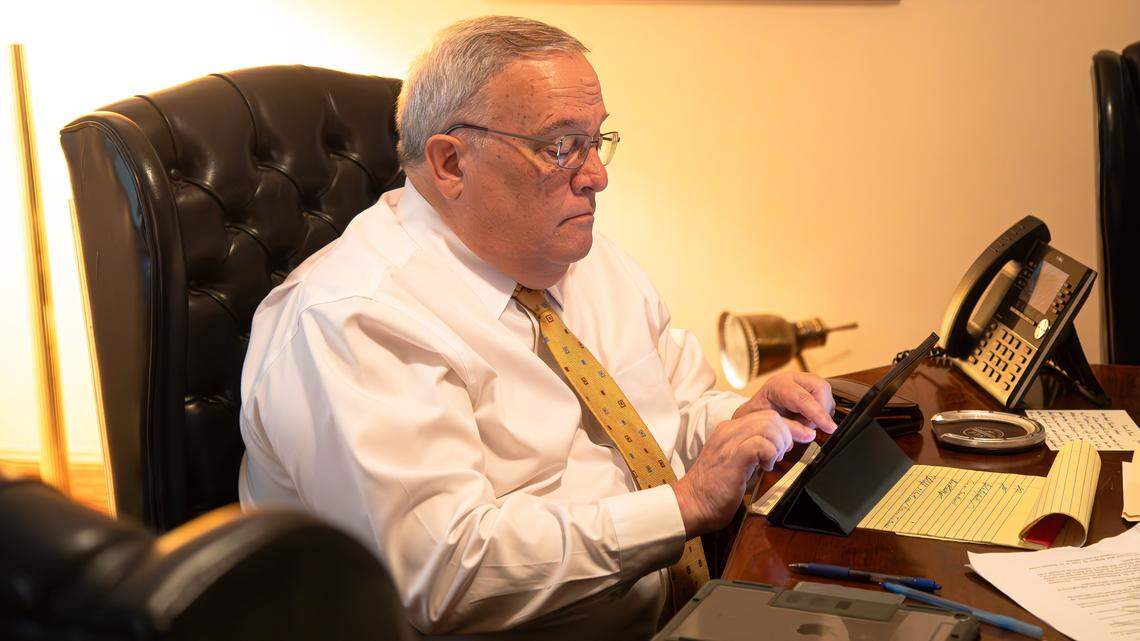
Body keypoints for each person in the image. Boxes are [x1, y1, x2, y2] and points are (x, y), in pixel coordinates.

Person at [238, 15, 836, 640]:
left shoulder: (585, 259)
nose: (596, 174)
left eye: (596, 140)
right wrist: (682, 507)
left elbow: (670, 417)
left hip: (680, 615)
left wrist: (743, 428)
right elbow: (442, 576)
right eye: (560, 148)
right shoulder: (353, 319)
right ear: (450, 162)